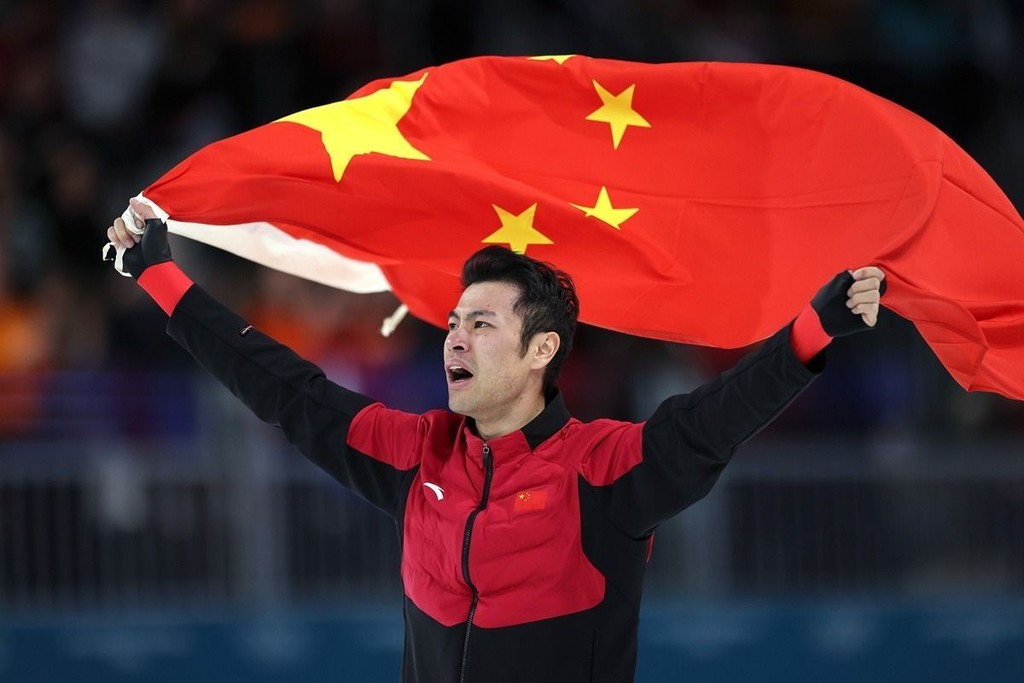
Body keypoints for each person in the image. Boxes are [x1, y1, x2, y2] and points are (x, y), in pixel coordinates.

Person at [106, 198, 884, 683]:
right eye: (453, 322)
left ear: (542, 350)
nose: (455, 336)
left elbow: (712, 420)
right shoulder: (416, 455)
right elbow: (286, 390)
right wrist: (162, 277)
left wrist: (813, 329)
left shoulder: (599, 470)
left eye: (481, 323)